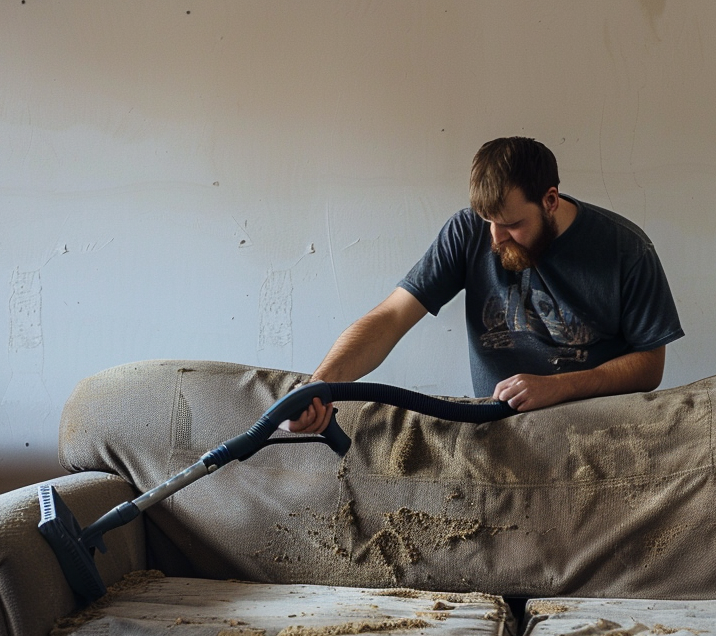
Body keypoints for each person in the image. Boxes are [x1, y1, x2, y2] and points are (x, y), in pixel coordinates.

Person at [289, 136, 683, 434]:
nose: (496, 238)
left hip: (601, 431)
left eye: (512, 224)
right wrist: (319, 386)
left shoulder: (625, 248)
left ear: (550, 200)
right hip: (497, 431)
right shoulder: (468, 231)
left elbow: (650, 366)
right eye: (488, 221)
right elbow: (392, 316)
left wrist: (559, 386)